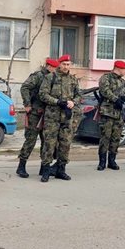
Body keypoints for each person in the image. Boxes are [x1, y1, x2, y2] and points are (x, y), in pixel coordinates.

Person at [38, 54, 81, 182]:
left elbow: (79, 95)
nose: (66, 67)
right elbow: (43, 94)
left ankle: (61, 170)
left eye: (68, 64)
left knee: (65, 144)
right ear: (59, 64)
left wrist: (73, 102)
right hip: (52, 117)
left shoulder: (73, 79)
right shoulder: (50, 77)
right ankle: (45, 171)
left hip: (67, 118)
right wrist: (56, 102)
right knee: (49, 144)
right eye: (64, 64)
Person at [17, 58, 59, 178]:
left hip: (48, 114)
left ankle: (43, 167)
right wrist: (27, 104)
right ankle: (21, 167)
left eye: (55, 68)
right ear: (47, 66)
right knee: (31, 140)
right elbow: (24, 87)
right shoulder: (38, 76)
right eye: (53, 67)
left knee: (46, 141)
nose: (54, 70)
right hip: (35, 113)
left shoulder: (55, 78)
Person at [97, 60, 125, 171]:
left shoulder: (123, 82)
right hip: (107, 112)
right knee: (105, 137)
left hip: (118, 113)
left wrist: (123, 98)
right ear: (118, 68)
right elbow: (104, 90)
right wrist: (115, 99)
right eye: (124, 69)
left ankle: (112, 161)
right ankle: (102, 162)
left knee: (116, 138)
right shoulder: (106, 78)